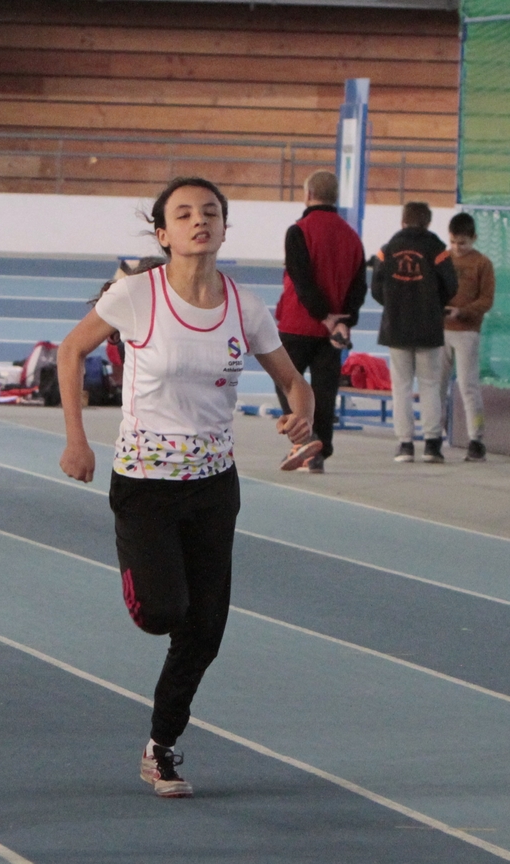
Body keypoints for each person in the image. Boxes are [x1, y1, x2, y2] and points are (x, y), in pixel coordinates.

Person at [57, 177, 315, 799]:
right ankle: (141, 585)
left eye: (210, 212)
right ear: (163, 233)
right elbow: (69, 351)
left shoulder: (244, 307)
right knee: (163, 614)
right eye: (184, 214)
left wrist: (302, 417)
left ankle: (161, 747)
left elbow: (293, 381)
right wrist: (76, 440)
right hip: (145, 483)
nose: (200, 221)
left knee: (205, 631)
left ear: (224, 227)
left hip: (214, 486)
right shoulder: (136, 295)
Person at [272, 170, 367, 473]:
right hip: (333, 332)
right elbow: (359, 286)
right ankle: (318, 453)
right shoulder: (352, 236)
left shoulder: (298, 231)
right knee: (325, 392)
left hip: (298, 324)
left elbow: (302, 280)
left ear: (308, 194)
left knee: (286, 381)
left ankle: (305, 439)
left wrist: (322, 316)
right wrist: (344, 321)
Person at [371, 201, 458, 463]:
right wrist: (434, 305)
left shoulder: (388, 249)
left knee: (401, 387)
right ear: (428, 223)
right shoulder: (437, 249)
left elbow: (376, 288)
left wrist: (393, 304)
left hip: (396, 327)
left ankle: (405, 444)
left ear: (403, 221)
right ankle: (432, 445)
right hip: (428, 326)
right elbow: (451, 285)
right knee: (430, 385)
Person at [442, 213, 495, 462]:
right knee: (436, 385)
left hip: (467, 332)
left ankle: (476, 439)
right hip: (441, 331)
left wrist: (462, 312)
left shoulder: (482, 263)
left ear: (474, 238)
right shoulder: (443, 259)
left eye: (462, 243)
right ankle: (435, 434)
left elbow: (486, 300)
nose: (457, 247)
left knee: (468, 385)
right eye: (453, 242)